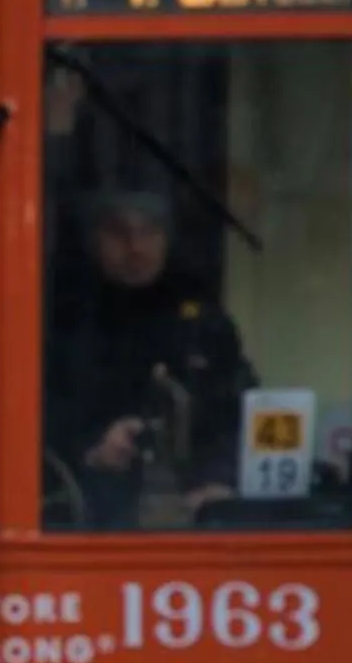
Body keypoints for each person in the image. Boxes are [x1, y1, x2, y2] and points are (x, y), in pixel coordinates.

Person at [45, 189, 253, 528]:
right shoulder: (63, 319)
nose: (136, 247)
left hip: (195, 514)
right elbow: (31, 417)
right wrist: (91, 449)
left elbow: (239, 407)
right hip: (86, 515)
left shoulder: (200, 315)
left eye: (150, 231)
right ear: (92, 240)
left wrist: (220, 479)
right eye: (118, 232)